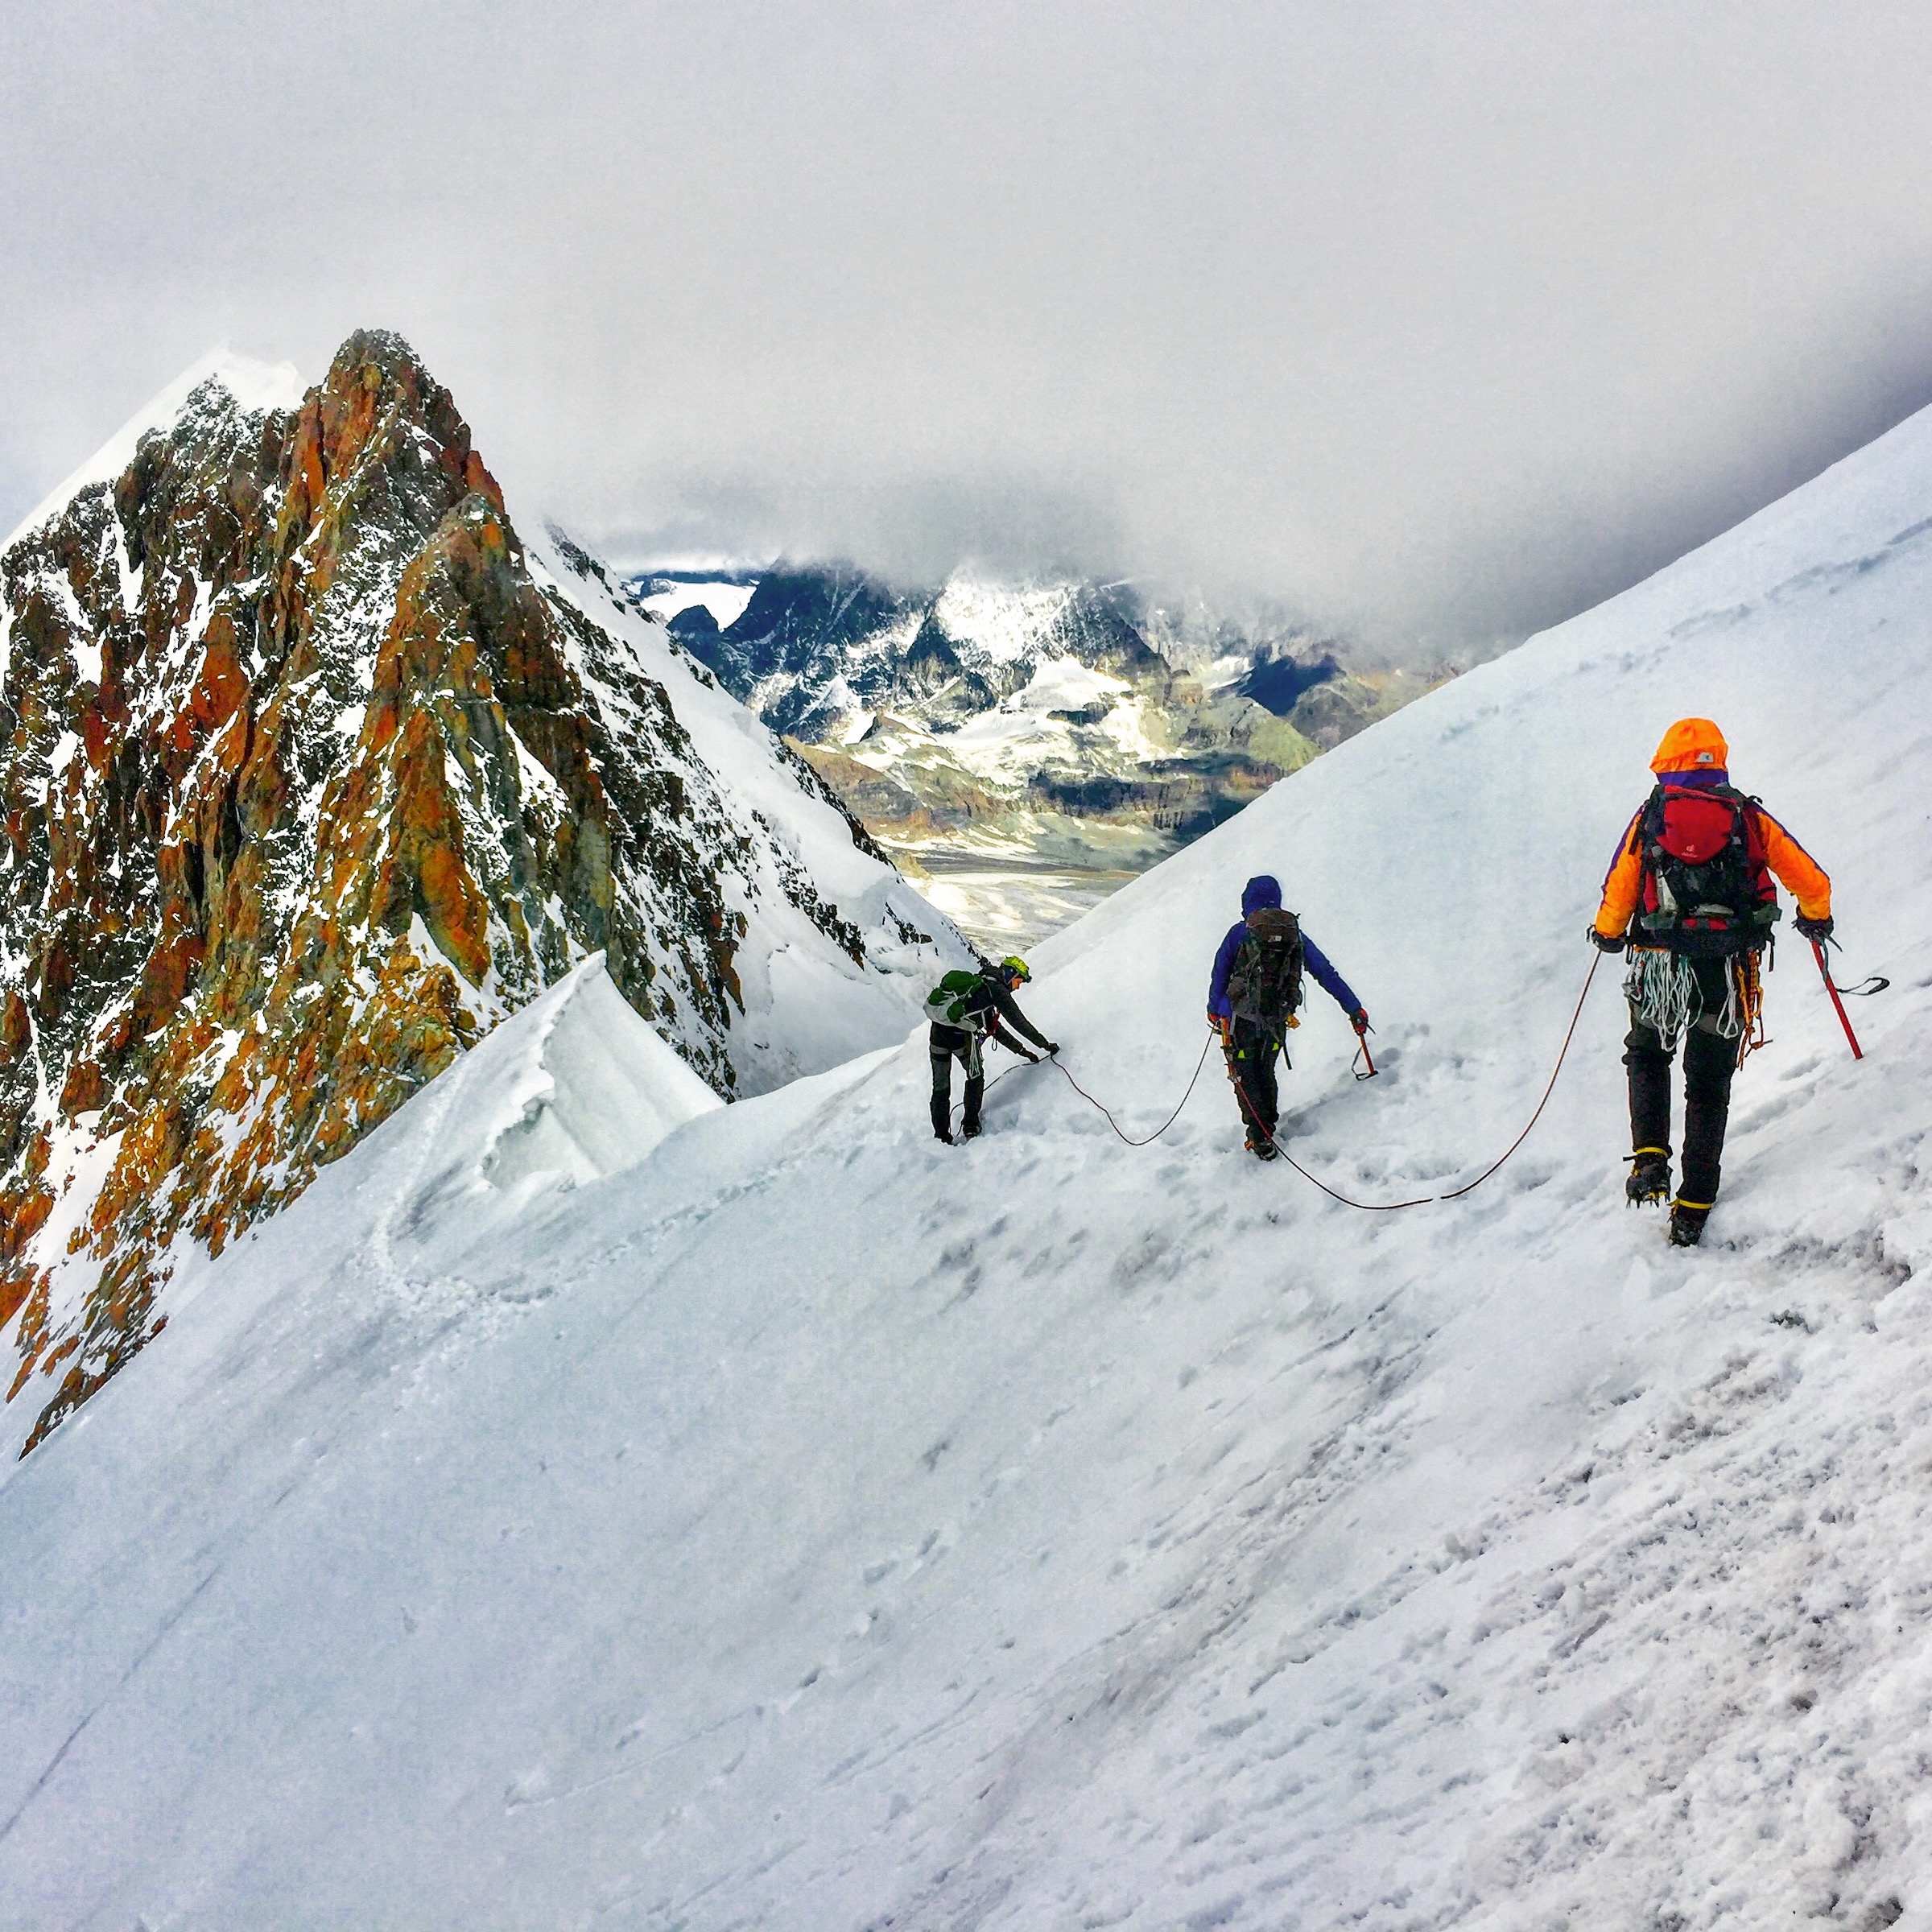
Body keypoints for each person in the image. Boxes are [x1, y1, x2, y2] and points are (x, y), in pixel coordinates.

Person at [1590, 717, 1833, 1246]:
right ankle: (1694, 1206)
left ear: (1666, 762)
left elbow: (1622, 881)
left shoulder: (1652, 815)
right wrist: (1816, 916)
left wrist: (1607, 932)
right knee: (1707, 1084)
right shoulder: (1745, 815)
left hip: (1660, 965)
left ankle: (1650, 1159)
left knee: (1648, 1055)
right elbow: (1809, 878)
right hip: (1726, 968)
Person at [1208, 876, 1369, 1160]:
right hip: (1277, 1016)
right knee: (1266, 1069)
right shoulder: (1294, 934)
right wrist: (1354, 1008)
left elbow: (1220, 973)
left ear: (1247, 900)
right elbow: (1325, 972)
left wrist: (1214, 1009)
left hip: (1239, 1020)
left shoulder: (1240, 932)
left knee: (1245, 1074)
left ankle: (1260, 1137)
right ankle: (1266, 1127)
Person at [927, 955, 1058, 1144]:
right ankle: (970, 1125)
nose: (1018, 987)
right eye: (1019, 981)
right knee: (976, 1077)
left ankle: (941, 1136)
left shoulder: (981, 982)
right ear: (1011, 974)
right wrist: (1045, 1045)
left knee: (940, 1086)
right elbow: (1018, 1022)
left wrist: (1023, 1052)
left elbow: (993, 1027)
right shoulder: (997, 991)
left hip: (937, 1036)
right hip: (963, 1041)